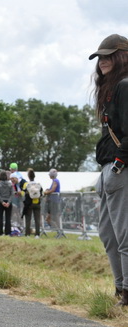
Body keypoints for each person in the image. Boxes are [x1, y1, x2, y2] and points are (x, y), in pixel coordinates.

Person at [90, 33, 128, 305]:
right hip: (109, 168)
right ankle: (120, 289)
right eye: (100, 57)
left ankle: (126, 293)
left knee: (124, 235)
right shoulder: (113, 88)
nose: (102, 61)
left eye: (108, 56)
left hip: (119, 169)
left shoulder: (125, 85)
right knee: (108, 234)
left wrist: (119, 162)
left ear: (122, 56)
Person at [23, 169, 43, 237]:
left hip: (29, 203)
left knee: (28, 219)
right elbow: (41, 193)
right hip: (37, 203)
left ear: (28, 176)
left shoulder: (27, 184)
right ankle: (37, 234)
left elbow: (24, 194)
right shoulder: (38, 184)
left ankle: (27, 234)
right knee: (37, 219)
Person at [0, 171, 14, 235]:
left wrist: (2, 202)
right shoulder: (10, 184)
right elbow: (12, 194)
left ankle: (0, 232)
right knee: (8, 218)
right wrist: (8, 202)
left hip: (0, 202)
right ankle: (8, 232)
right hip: (8, 202)